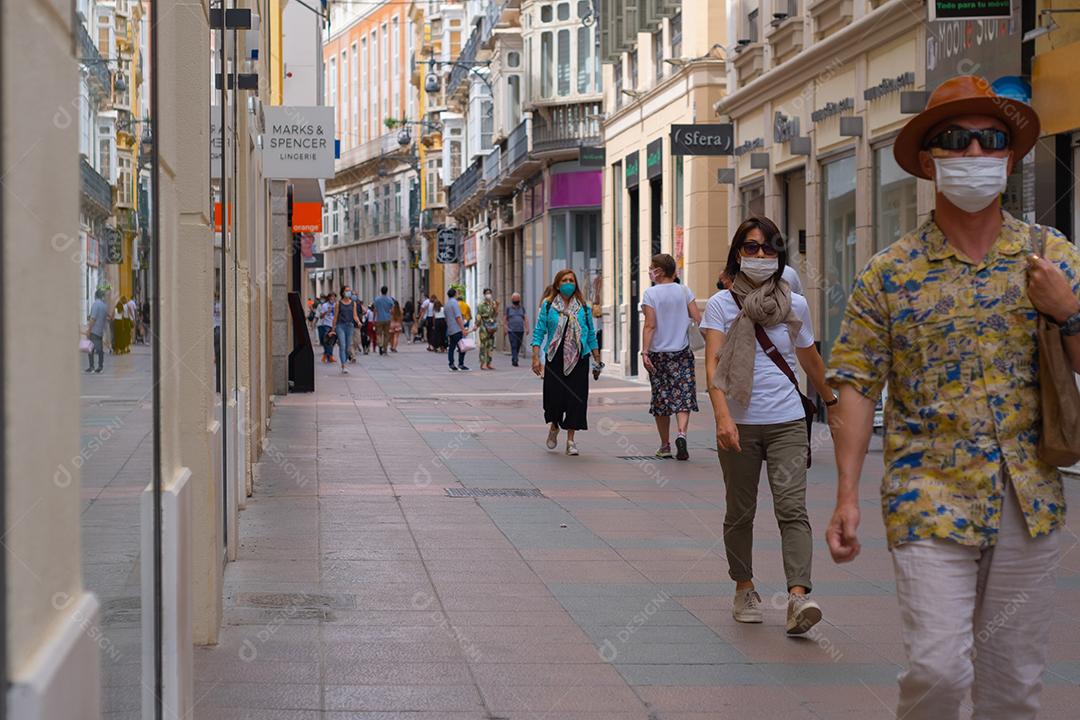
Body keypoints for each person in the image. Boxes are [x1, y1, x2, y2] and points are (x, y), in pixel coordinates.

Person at [825, 76, 1080, 720]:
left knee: (1014, 685)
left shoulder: (1051, 257)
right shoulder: (891, 272)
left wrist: (1067, 312)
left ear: (1010, 157)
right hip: (927, 496)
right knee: (937, 670)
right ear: (930, 160)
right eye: (955, 141)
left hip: (1030, 495)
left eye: (989, 140)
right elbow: (854, 383)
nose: (974, 154)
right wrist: (847, 494)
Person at [702, 215, 836, 637]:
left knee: (792, 508)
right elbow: (713, 364)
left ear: (780, 255)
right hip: (739, 424)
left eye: (769, 248)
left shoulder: (794, 303)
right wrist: (723, 417)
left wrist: (831, 400)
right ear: (738, 253)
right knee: (740, 513)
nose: (761, 255)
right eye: (752, 247)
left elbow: (809, 357)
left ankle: (798, 598)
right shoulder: (721, 305)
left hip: (787, 422)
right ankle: (744, 588)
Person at [531, 269, 602, 456]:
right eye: (564, 280)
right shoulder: (548, 307)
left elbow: (591, 335)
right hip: (554, 358)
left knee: (576, 400)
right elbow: (539, 332)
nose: (568, 283)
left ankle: (571, 440)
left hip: (579, 359)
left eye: (571, 280)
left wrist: (597, 359)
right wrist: (535, 356)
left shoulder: (584, 308)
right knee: (554, 399)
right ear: (557, 284)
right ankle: (554, 425)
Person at [642, 253, 703, 461]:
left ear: (659, 271)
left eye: (652, 267)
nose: (650, 270)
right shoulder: (684, 290)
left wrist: (645, 352)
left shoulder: (650, 294)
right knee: (683, 395)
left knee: (661, 399)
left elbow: (650, 325)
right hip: (682, 353)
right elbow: (697, 318)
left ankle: (665, 445)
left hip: (659, 354)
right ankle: (682, 434)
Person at [330, 286, 361, 374]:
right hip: (340, 326)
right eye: (347, 291)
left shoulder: (353, 303)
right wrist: (333, 329)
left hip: (350, 326)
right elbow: (335, 317)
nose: (349, 292)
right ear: (343, 292)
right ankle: (344, 365)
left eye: (349, 291)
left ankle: (345, 360)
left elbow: (355, 315)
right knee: (343, 345)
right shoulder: (338, 304)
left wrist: (358, 322)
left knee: (348, 347)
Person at [444, 287, 469, 371]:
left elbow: (446, 318)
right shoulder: (455, 303)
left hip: (450, 329)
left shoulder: (446, 305)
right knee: (462, 347)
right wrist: (463, 329)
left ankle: (451, 363)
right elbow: (458, 317)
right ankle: (461, 364)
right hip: (457, 329)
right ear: (455, 294)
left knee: (452, 347)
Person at [86, 288, 109, 373]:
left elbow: (93, 318)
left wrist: (89, 329)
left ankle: (92, 367)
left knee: (90, 349)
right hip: (100, 330)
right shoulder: (104, 305)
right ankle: (100, 366)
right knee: (99, 349)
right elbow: (106, 317)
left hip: (94, 330)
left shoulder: (96, 304)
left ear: (96, 296)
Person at [477, 288, 499, 370]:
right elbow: (479, 316)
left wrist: (497, 306)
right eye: (487, 293)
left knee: (490, 345)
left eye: (490, 293)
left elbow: (496, 314)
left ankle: (489, 362)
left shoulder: (493, 304)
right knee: (483, 345)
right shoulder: (481, 305)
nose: (488, 294)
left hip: (492, 326)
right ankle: (483, 363)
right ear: (484, 294)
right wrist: (476, 325)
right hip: (484, 326)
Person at [505, 292, 528, 367]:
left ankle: (515, 357)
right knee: (514, 345)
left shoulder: (522, 308)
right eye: (515, 299)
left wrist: (527, 328)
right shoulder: (508, 308)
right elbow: (505, 318)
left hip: (520, 330)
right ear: (512, 299)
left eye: (517, 299)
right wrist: (505, 328)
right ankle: (515, 359)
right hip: (511, 330)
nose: (516, 300)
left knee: (518, 345)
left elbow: (525, 318)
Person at [373, 285, 395, 355]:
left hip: (379, 319)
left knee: (378, 334)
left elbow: (375, 310)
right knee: (386, 334)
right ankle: (385, 349)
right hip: (387, 319)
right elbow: (392, 310)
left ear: (381, 291)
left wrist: (374, 318)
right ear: (387, 291)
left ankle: (380, 344)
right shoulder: (390, 300)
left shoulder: (377, 299)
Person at [317, 293, 336, 363]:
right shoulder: (325, 305)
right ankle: (330, 356)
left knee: (332, 342)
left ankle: (326, 355)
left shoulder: (336, 305)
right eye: (331, 298)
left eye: (334, 298)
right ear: (328, 298)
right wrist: (326, 312)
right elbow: (321, 316)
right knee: (328, 341)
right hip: (326, 325)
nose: (332, 299)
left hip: (334, 325)